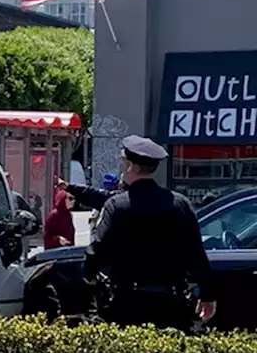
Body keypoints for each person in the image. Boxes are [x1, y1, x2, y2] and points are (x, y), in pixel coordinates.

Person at [83, 135, 216, 331]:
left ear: (129, 165)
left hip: (127, 305)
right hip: (172, 305)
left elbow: (99, 250)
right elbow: (197, 255)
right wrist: (207, 295)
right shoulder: (180, 205)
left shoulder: (117, 205)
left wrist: (90, 276)